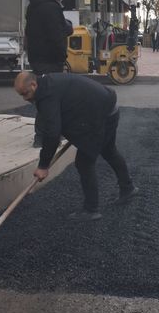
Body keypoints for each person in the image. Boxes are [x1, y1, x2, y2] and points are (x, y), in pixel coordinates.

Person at [14, 72, 138, 221]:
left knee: (84, 162)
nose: (25, 98)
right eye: (21, 95)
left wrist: (43, 165)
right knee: (109, 151)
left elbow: (52, 133)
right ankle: (128, 188)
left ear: (33, 85)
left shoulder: (46, 96)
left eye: (26, 93)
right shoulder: (48, 83)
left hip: (102, 115)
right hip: (107, 108)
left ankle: (91, 209)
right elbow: (66, 112)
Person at [25, 0, 73, 75]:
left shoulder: (33, 5)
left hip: (35, 57)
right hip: (50, 60)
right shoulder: (52, 8)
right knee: (52, 88)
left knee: (41, 87)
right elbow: (57, 35)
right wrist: (62, 57)